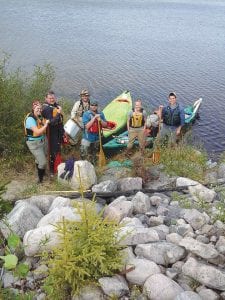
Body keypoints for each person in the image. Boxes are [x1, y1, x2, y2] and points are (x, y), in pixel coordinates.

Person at [24, 100, 50, 183]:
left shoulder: (39, 116)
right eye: (37, 108)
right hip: (34, 143)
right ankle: (40, 179)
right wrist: (46, 125)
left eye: (40, 108)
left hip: (42, 140)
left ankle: (41, 172)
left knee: (40, 159)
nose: (39, 110)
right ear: (33, 108)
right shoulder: (30, 119)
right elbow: (37, 132)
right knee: (42, 162)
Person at [42, 91, 64, 176]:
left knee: (57, 150)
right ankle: (52, 171)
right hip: (51, 134)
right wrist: (58, 112)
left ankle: (57, 167)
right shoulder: (46, 109)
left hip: (58, 132)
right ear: (46, 98)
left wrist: (63, 132)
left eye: (53, 98)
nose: (52, 100)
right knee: (53, 152)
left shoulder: (54, 105)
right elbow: (52, 122)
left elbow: (59, 121)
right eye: (50, 98)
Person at [80, 100, 108, 164]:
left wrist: (100, 120)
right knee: (84, 153)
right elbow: (87, 126)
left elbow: (105, 125)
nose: (94, 106)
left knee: (94, 153)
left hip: (97, 137)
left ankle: (93, 165)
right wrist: (94, 118)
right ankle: (84, 164)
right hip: (87, 137)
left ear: (97, 106)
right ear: (90, 106)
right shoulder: (86, 114)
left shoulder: (101, 114)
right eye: (92, 105)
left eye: (95, 105)